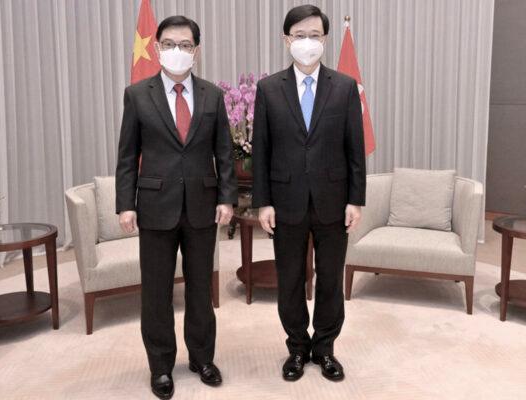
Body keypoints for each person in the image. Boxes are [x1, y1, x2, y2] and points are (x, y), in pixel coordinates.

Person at [115, 15, 237, 400]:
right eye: (169, 44)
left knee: (201, 289)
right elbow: (126, 155)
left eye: (185, 45)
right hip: (154, 207)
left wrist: (227, 197)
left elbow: (225, 153)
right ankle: (161, 366)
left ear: (196, 51)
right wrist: (125, 204)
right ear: (156, 48)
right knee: (156, 292)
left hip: (203, 206)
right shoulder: (137, 94)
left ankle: (202, 358)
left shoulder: (212, 95)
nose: (177, 51)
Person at [252, 4, 366, 382]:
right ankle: (297, 348)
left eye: (314, 35)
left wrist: (355, 199)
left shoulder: (345, 87)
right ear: (286, 40)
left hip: (334, 202)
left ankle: (326, 348)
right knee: (290, 279)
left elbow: (355, 148)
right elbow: (262, 150)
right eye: (299, 35)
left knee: (330, 278)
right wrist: (263, 202)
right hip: (285, 203)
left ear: (325, 40)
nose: (307, 42)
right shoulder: (268, 89)